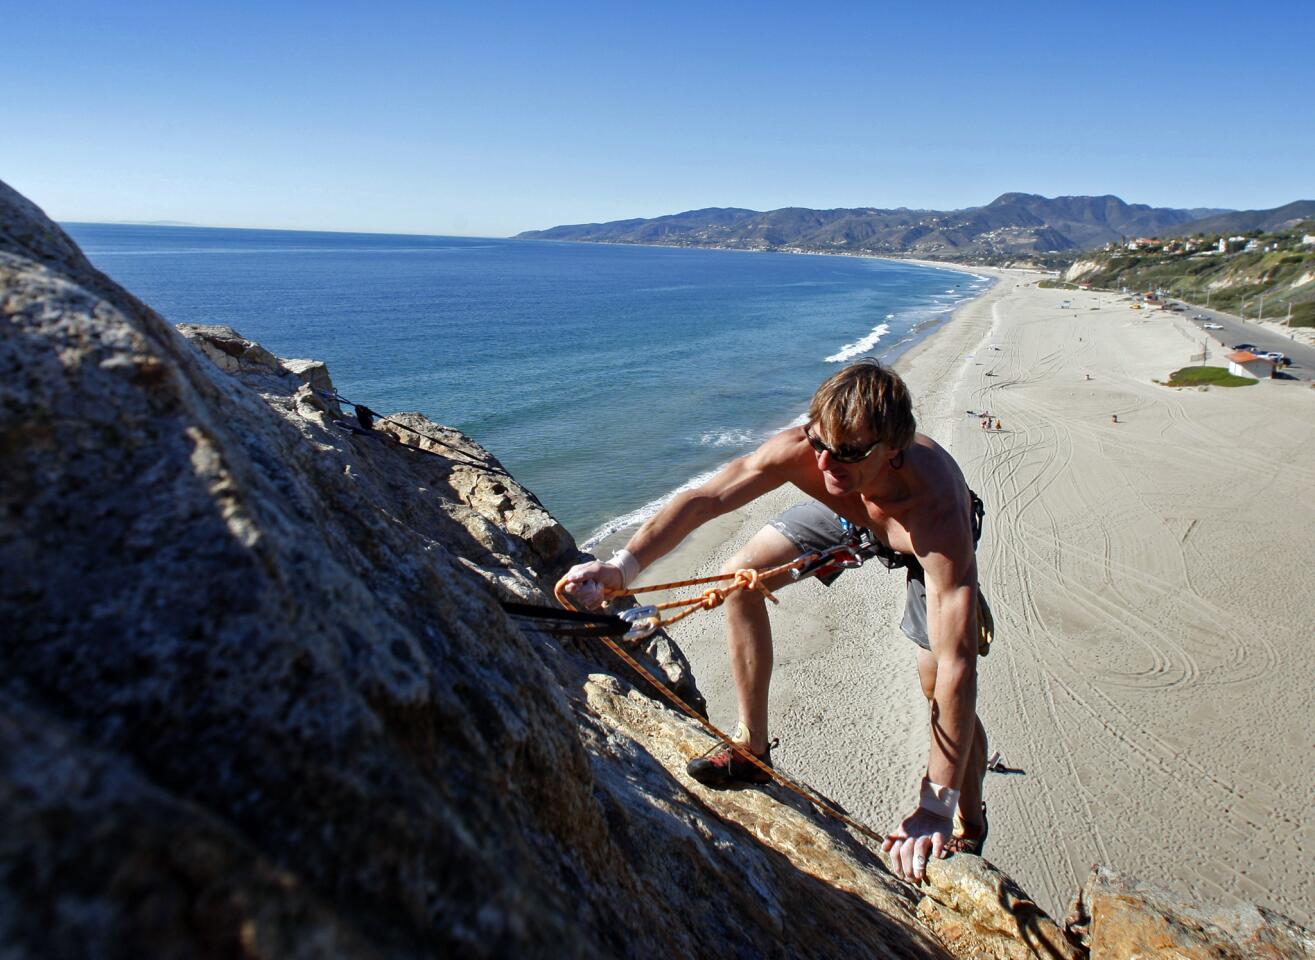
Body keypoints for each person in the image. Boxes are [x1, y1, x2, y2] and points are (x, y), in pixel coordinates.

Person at [562, 359, 989, 883]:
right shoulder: (815, 455)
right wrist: (620, 566)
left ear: (893, 448)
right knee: (738, 579)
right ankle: (751, 747)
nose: (828, 464)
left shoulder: (936, 511)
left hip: (915, 543)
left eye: (849, 451)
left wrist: (933, 807)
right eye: (820, 443)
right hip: (849, 516)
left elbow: (957, 663)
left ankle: (968, 815)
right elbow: (707, 498)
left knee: (933, 680)